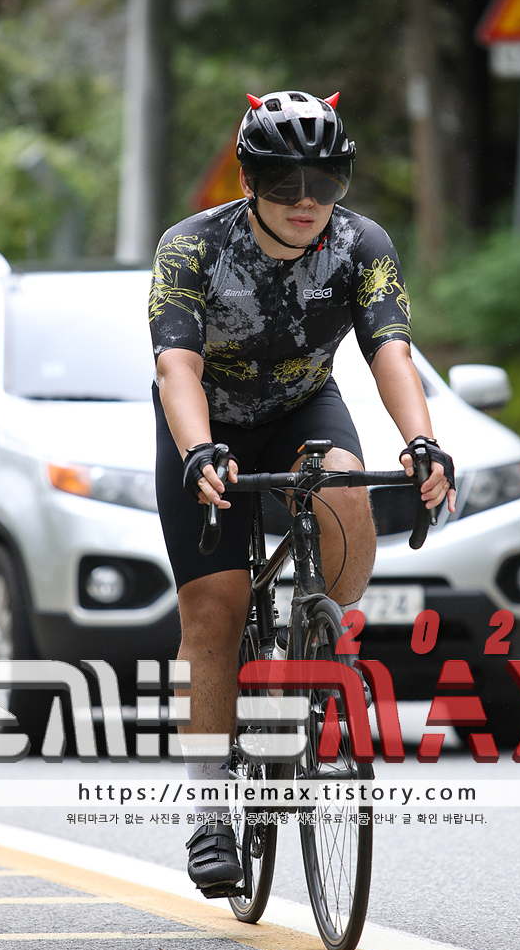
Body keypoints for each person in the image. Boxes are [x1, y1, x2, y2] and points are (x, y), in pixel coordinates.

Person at [149, 89, 455, 897]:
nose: (306, 201)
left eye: (325, 182)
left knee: (346, 487)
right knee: (212, 613)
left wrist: (422, 440)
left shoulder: (361, 244)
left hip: (301, 407)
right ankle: (211, 812)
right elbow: (176, 366)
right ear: (248, 181)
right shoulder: (191, 248)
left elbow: (391, 350)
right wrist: (197, 450)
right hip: (207, 420)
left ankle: (316, 632)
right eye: (285, 183)